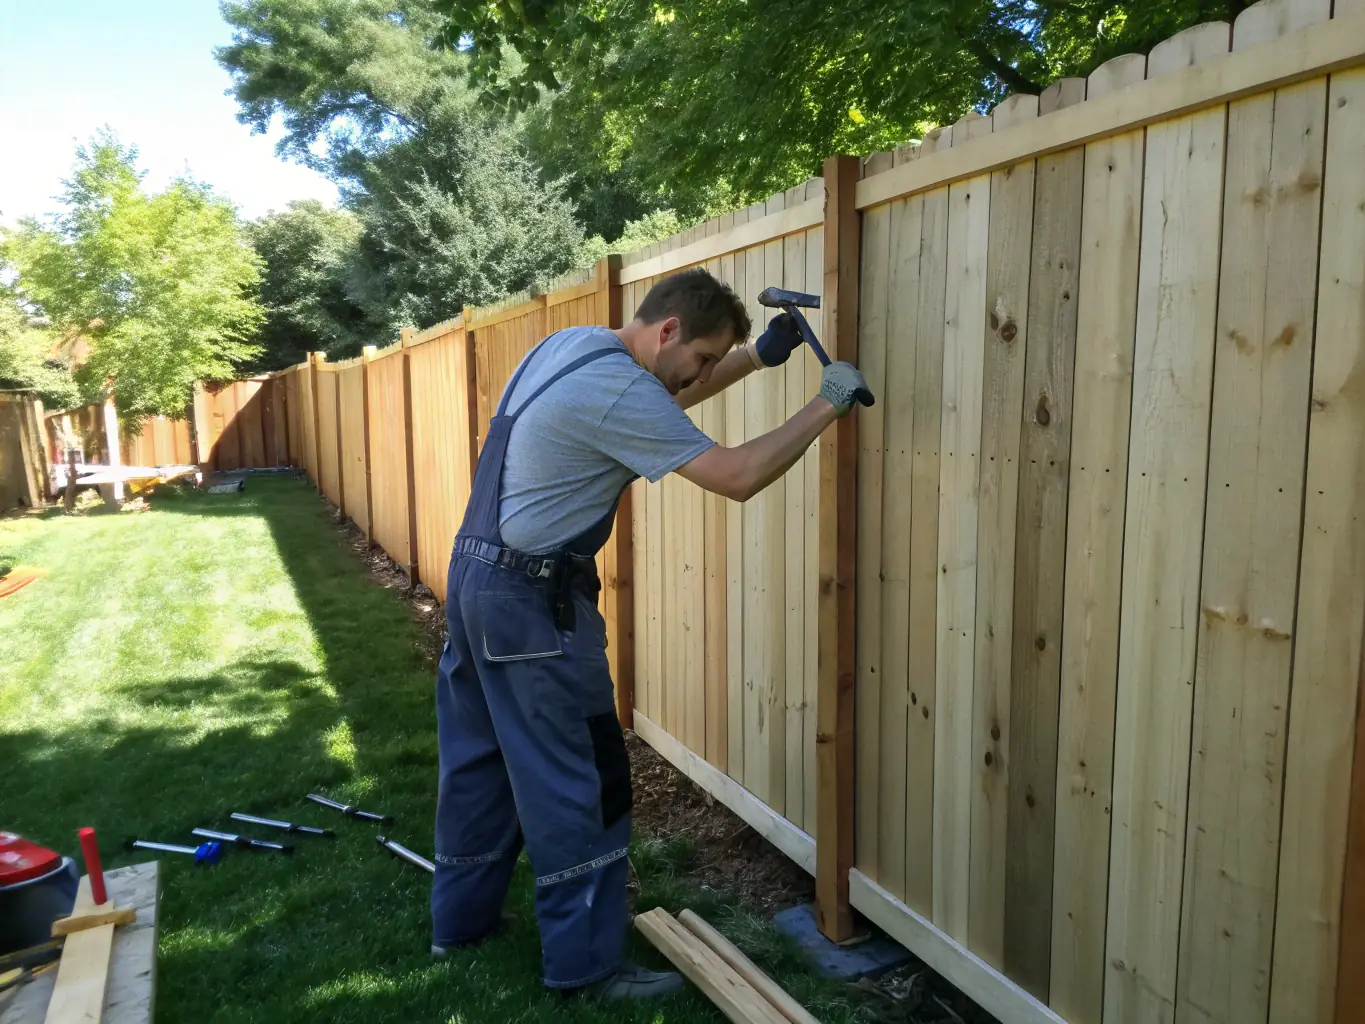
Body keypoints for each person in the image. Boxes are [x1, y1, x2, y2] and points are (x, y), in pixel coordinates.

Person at [430, 266, 870, 1000]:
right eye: (700, 357)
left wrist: (755, 358)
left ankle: (459, 926)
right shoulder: (620, 390)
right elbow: (733, 474)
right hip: (535, 611)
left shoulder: (574, 347)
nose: (695, 373)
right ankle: (585, 969)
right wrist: (825, 405)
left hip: (478, 586)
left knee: (479, 764)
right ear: (667, 330)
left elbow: (654, 403)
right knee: (582, 782)